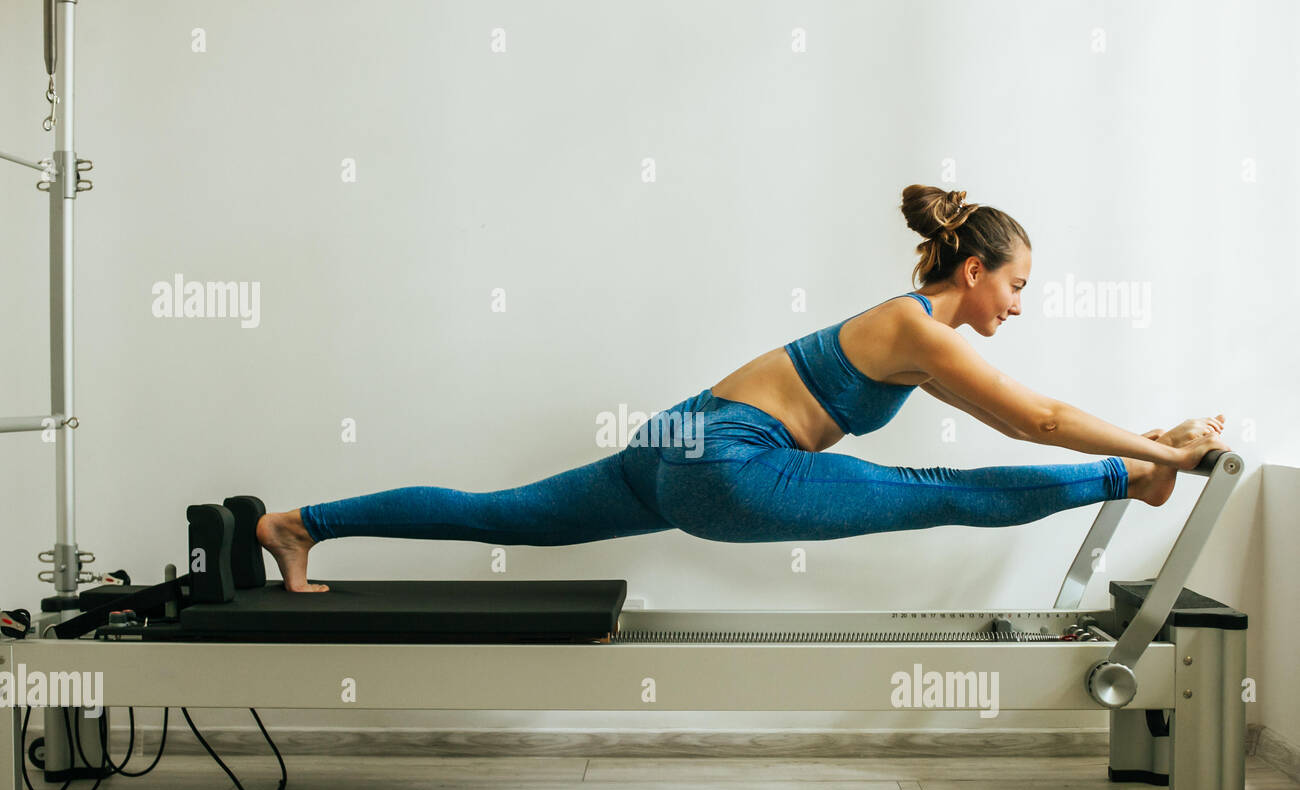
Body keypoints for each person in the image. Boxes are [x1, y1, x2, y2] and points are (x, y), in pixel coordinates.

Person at [257, 185, 1230, 593]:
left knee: (495, 512)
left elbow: (1019, 414)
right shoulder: (918, 327)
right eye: (1016, 286)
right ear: (973, 270)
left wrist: (1153, 439)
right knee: (939, 490)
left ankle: (301, 521)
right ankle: (1127, 482)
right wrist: (1158, 458)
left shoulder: (912, 331)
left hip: (674, 441)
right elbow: (1040, 418)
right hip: (727, 460)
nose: (1018, 307)